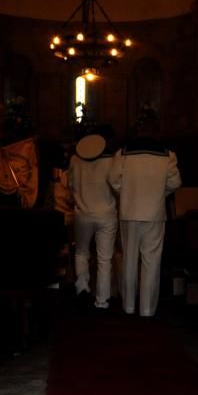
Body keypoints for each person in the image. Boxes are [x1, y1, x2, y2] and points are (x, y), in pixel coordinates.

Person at [108, 113, 181, 317]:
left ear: (138, 131)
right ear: (156, 132)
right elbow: (175, 183)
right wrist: (159, 192)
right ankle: (147, 310)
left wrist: (127, 193)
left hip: (129, 211)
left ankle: (129, 306)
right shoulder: (167, 155)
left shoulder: (123, 153)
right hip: (155, 213)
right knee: (152, 261)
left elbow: (113, 180)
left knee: (129, 259)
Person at [69, 132, 116, 310]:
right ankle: (102, 301)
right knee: (105, 259)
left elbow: (70, 185)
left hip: (82, 213)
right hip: (106, 214)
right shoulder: (110, 161)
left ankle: (82, 285)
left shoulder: (75, 160)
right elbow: (116, 185)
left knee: (81, 252)